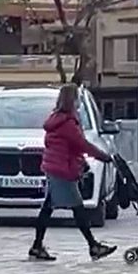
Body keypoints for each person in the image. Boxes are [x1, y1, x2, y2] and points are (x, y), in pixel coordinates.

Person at [29, 85, 117, 262]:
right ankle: (93, 246)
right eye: (77, 99)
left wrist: (82, 162)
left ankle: (37, 246)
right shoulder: (67, 123)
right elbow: (82, 144)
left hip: (55, 168)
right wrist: (103, 156)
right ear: (72, 100)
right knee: (77, 208)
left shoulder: (57, 119)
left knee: (48, 209)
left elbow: (70, 147)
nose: (79, 103)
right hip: (62, 171)